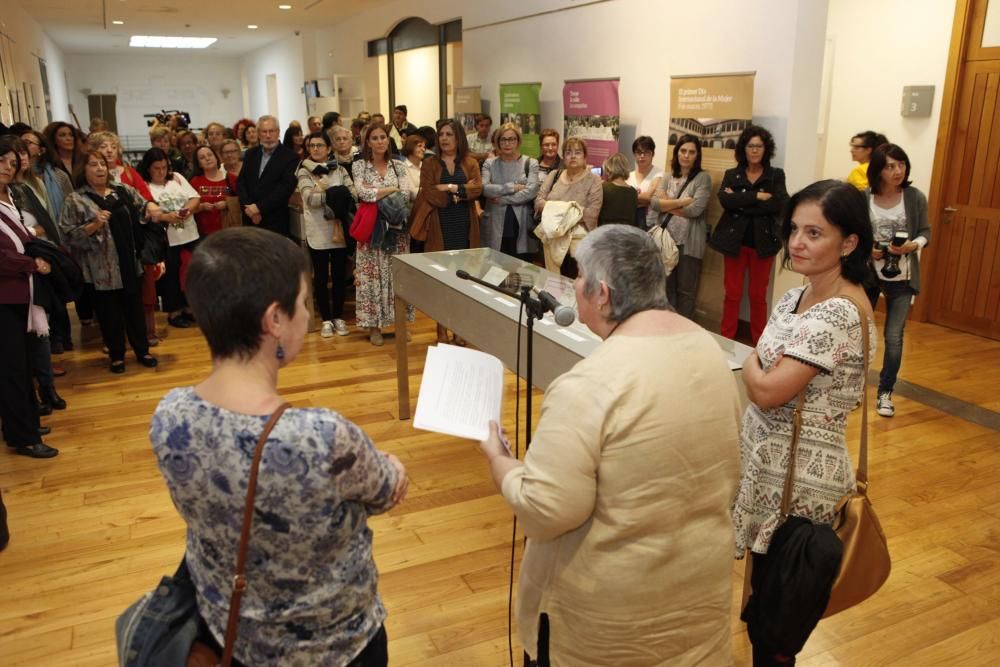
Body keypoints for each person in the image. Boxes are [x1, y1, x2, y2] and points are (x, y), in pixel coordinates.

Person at [479, 224, 741, 666]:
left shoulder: (589, 384)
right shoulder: (710, 352)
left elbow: (546, 511)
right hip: (698, 603)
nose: (574, 287)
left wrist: (499, 458)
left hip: (609, 626)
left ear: (601, 293)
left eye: (578, 276)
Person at [150, 227, 407, 667]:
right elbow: (387, 490)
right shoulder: (322, 436)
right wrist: (391, 463)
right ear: (275, 320)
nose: (307, 315)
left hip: (229, 634)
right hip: (337, 647)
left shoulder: (170, 415)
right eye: (304, 303)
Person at [731, 180, 877, 665]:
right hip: (769, 469)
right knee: (762, 603)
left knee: (777, 623)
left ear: (849, 242)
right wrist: (760, 370)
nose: (797, 243)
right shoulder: (797, 297)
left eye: (814, 233)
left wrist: (757, 373)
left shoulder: (837, 310)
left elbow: (767, 388)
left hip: (801, 484)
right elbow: (762, 361)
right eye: (794, 229)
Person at [59, 151, 160, 373]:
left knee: (135, 310)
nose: (99, 169)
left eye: (103, 164)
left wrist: (152, 208)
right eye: (93, 164)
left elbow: (144, 206)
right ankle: (117, 356)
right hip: (100, 269)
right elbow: (67, 235)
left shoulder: (122, 191)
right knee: (109, 314)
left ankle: (142, 350)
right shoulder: (76, 199)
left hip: (129, 263)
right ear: (83, 170)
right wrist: (93, 225)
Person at [0, 136, 58, 458]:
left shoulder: (9, 198)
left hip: (20, 294)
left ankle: (21, 426)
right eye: (1, 161)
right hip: (5, 297)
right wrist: (31, 262)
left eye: (11, 162)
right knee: (12, 369)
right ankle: (23, 437)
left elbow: (23, 238)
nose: (7, 168)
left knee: (21, 367)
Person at [865, 143, 930, 418]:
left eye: (901, 164)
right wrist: (867, 249)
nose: (897, 171)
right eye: (890, 166)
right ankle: (853, 389)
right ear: (878, 170)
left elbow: (926, 231)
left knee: (894, 336)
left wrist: (913, 246)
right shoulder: (863, 197)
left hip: (902, 276)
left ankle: (885, 393)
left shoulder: (914, 197)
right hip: (868, 275)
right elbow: (851, 233)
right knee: (861, 334)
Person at [713, 125, 788, 344]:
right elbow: (725, 201)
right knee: (732, 294)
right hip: (734, 243)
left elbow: (780, 204)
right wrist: (757, 196)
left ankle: (760, 344)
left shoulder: (775, 175)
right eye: (750, 146)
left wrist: (741, 201)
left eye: (759, 146)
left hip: (763, 244)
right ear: (744, 149)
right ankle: (726, 340)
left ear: (766, 149)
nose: (754, 150)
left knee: (758, 297)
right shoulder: (731, 174)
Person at [352, 123, 414, 346]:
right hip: (372, 231)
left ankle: (400, 324)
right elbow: (363, 193)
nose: (379, 141)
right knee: (373, 279)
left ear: (388, 141)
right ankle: (374, 327)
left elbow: (406, 194)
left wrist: (378, 192)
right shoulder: (360, 166)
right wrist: (389, 190)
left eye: (383, 137)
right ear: (367, 142)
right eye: (375, 138)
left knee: (397, 277)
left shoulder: (398, 165)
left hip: (397, 231)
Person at [297, 131, 355, 338]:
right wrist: (334, 194)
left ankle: (338, 317)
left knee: (340, 276)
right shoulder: (303, 171)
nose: (315, 149)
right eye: (312, 146)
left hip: (338, 228)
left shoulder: (339, 169)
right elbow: (308, 199)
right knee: (321, 277)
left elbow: (352, 194)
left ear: (328, 148)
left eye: (320, 145)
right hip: (317, 230)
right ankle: (326, 319)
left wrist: (322, 191)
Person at [651, 135, 712, 319]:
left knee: (686, 292)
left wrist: (666, 203)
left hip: (688, 244)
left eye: (691, 152)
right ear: (677, 153)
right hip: (665, 240)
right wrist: (682, 202)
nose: (686, 155)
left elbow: (695, 210)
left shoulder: (703, 179)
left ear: (697, 155)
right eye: (683, 151)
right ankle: (668, 329)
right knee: (667, 289)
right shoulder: (668, 177)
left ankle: (685, 333)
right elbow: (654, 204)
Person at [140, 148, 201, 329]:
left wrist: (187, 211)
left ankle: (189, 307)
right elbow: (145, 211)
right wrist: (167, 217)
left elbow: (195, 197)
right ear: (148, 168)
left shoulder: (177, 178)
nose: (161, 172)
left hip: (189, 233)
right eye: (156, 168)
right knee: (171, 276)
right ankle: (174, 311)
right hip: (165, 237)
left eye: (164, 167)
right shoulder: (144, 185)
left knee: (191, 272)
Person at [535, 137, 603, 278]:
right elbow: (538, 201)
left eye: (577, 152)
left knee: (577, 284)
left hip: (579, 242)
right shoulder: (554, 175)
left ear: (585, 156)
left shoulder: (594, 180)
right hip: (551, 237)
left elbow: (592, 213)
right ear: (564, 157)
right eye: (568, 152)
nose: (573, 156)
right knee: (553, 283)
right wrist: (572, 209)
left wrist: (553, 209)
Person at [481, 122, 540, 259]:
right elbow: (484, 189)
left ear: (518, 141)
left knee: (520, 271)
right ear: (498, 142)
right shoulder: (489, 163)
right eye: (503, 139)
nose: (507, 143)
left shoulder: (530, 163)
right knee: (495, 270)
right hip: (494, 224)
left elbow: (531, 191)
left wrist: (502, 199)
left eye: (511, 139)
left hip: (521, 225)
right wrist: (511, 187)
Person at [237, 115, 299, 238]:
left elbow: (285, 188)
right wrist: (250, 208)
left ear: (278, 132)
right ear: (259, 133)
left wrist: (259, 208)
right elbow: (241, 182)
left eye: (272, 131)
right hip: (250, 217)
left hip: (275, 219)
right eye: (264, 131)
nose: (268, 135)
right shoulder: (250, 154)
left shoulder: (290, 157)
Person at [190, 145, 236, 238]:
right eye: (202, 157)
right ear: (199, 164)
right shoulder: (195, 182)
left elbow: (240, 201)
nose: (207, 158)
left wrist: (227, 204)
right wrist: (201, 207)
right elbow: (188, 208)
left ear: (216, 157)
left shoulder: (231, 178)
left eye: (210, 155)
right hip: (204, 234)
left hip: (229, 230)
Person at [626, 136, 663, 228]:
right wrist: (643, 199)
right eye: (639, 152)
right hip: (629, 222)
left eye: (646, 152)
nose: (642, 156)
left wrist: (629, 197)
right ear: (634, 154)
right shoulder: (628, 176)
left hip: (650, 225)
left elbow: (647, 197)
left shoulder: (659, 174)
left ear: (653, 154)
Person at [596, 152, 637, 227]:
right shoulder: (633, 192)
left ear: (608, 168)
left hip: (605, 234)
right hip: (626, 235)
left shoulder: (603, 188)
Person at [401, 134, 425, 201]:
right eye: (419, 146)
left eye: (424, 147)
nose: (423, 149)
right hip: (415, 206)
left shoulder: (426, 165)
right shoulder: (403, 167)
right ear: (410, 147)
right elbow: (412, 193)